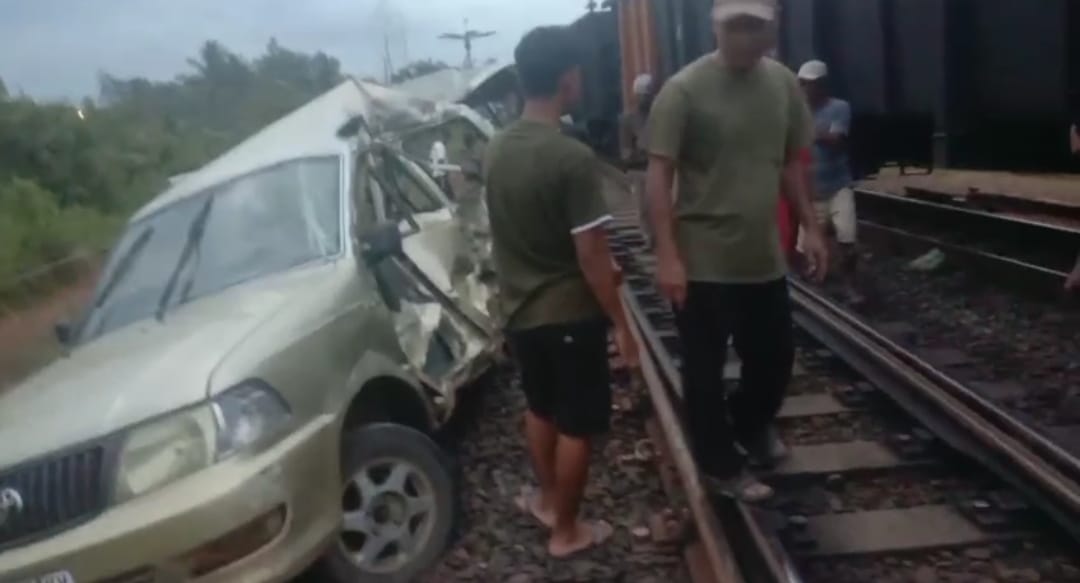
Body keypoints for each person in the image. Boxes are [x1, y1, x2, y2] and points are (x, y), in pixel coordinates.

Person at [645, 0, 828, 502]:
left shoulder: (783, 85)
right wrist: (667, 255)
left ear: (773, 30)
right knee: (703, 368)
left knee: (775, 360)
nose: (746, 36)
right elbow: (658, 175)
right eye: (736, 26)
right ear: (716, 26)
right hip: (702, 258)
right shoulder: (683, 91)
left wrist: (810, 227)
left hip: (760, 256)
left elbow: (790, 163)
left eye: (756, 27)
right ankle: (720, 464)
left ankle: (749, 425)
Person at [484, 25, 639, 557]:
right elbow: (591, 256)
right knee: (578, 424)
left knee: (540, 407)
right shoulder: (569, 157)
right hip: (570, 315)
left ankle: (549, 500)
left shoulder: (496, 149)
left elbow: (519, 229)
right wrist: (621, 323)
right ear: (569, 80)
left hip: (521, 312)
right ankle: (567, 531)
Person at [797, 59, 860, 298]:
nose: (805, 89)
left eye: (810, 84)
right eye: (802, 84)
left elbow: (837, 140)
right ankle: (814, 283)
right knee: (806, 246)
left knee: (847, 237)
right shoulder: (796, 111)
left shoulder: (839, 108)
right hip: (811, 189)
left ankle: (850, 285)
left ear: (822, 85)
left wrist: (811, 133)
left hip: (837, 185)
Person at [620, 73, 656, 168]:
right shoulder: (628, 120)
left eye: (646, 95)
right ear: (635, 95)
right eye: (641, 95)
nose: (644, 99)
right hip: (640, 170)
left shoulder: (662, 116)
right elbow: (626, 155)